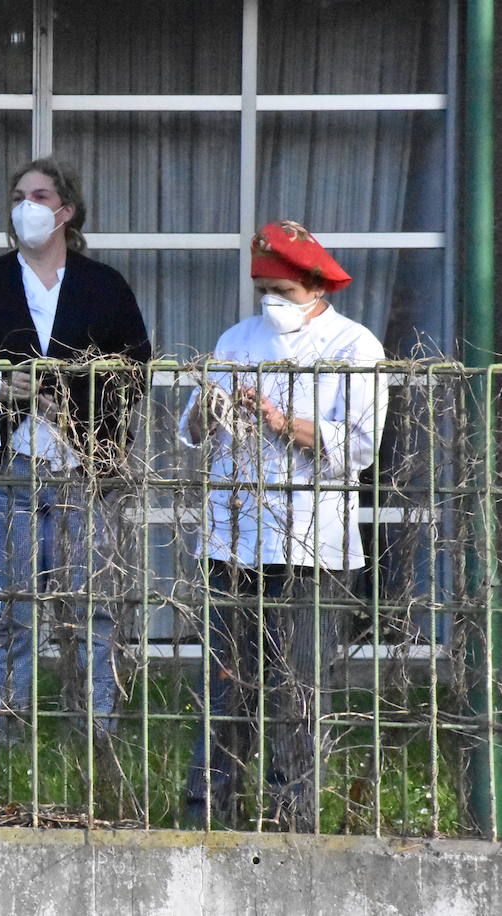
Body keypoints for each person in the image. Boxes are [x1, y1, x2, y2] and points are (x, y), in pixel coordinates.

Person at [179, 220, 387, 831]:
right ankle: (208, 816)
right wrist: (210, 411)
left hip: (312, 549)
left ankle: (292, 820)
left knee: (297, 696)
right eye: (263, 289)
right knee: (224, 693)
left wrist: (280, 421)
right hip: (233, 541)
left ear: (313, 285)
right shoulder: (236, 339)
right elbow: (191, 431)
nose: (272, 302)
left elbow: (361, 448)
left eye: (283, 291)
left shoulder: (355, 346)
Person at [0, 157, 152, 729]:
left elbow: (137, 369)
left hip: (87, 469)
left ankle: (94, 734)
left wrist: (74, 386)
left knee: (94, 612)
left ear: (66, 210)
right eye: (18, 196)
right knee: (7, 611)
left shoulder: (104, 285)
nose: (25, 206)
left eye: (38, 195)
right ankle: (3, 733)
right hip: (6, 468)